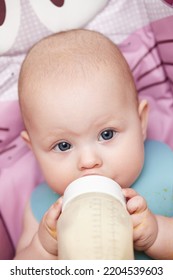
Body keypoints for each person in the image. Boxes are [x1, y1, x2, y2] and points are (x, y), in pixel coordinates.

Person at [14, 29, 173, 260]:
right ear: (34, 150)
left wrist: (158, 235)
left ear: (141, 123)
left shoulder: (166, 168)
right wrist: (43, 248)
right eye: (63, 146)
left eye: (107, 134)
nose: (89, 161)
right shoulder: (42, 212)